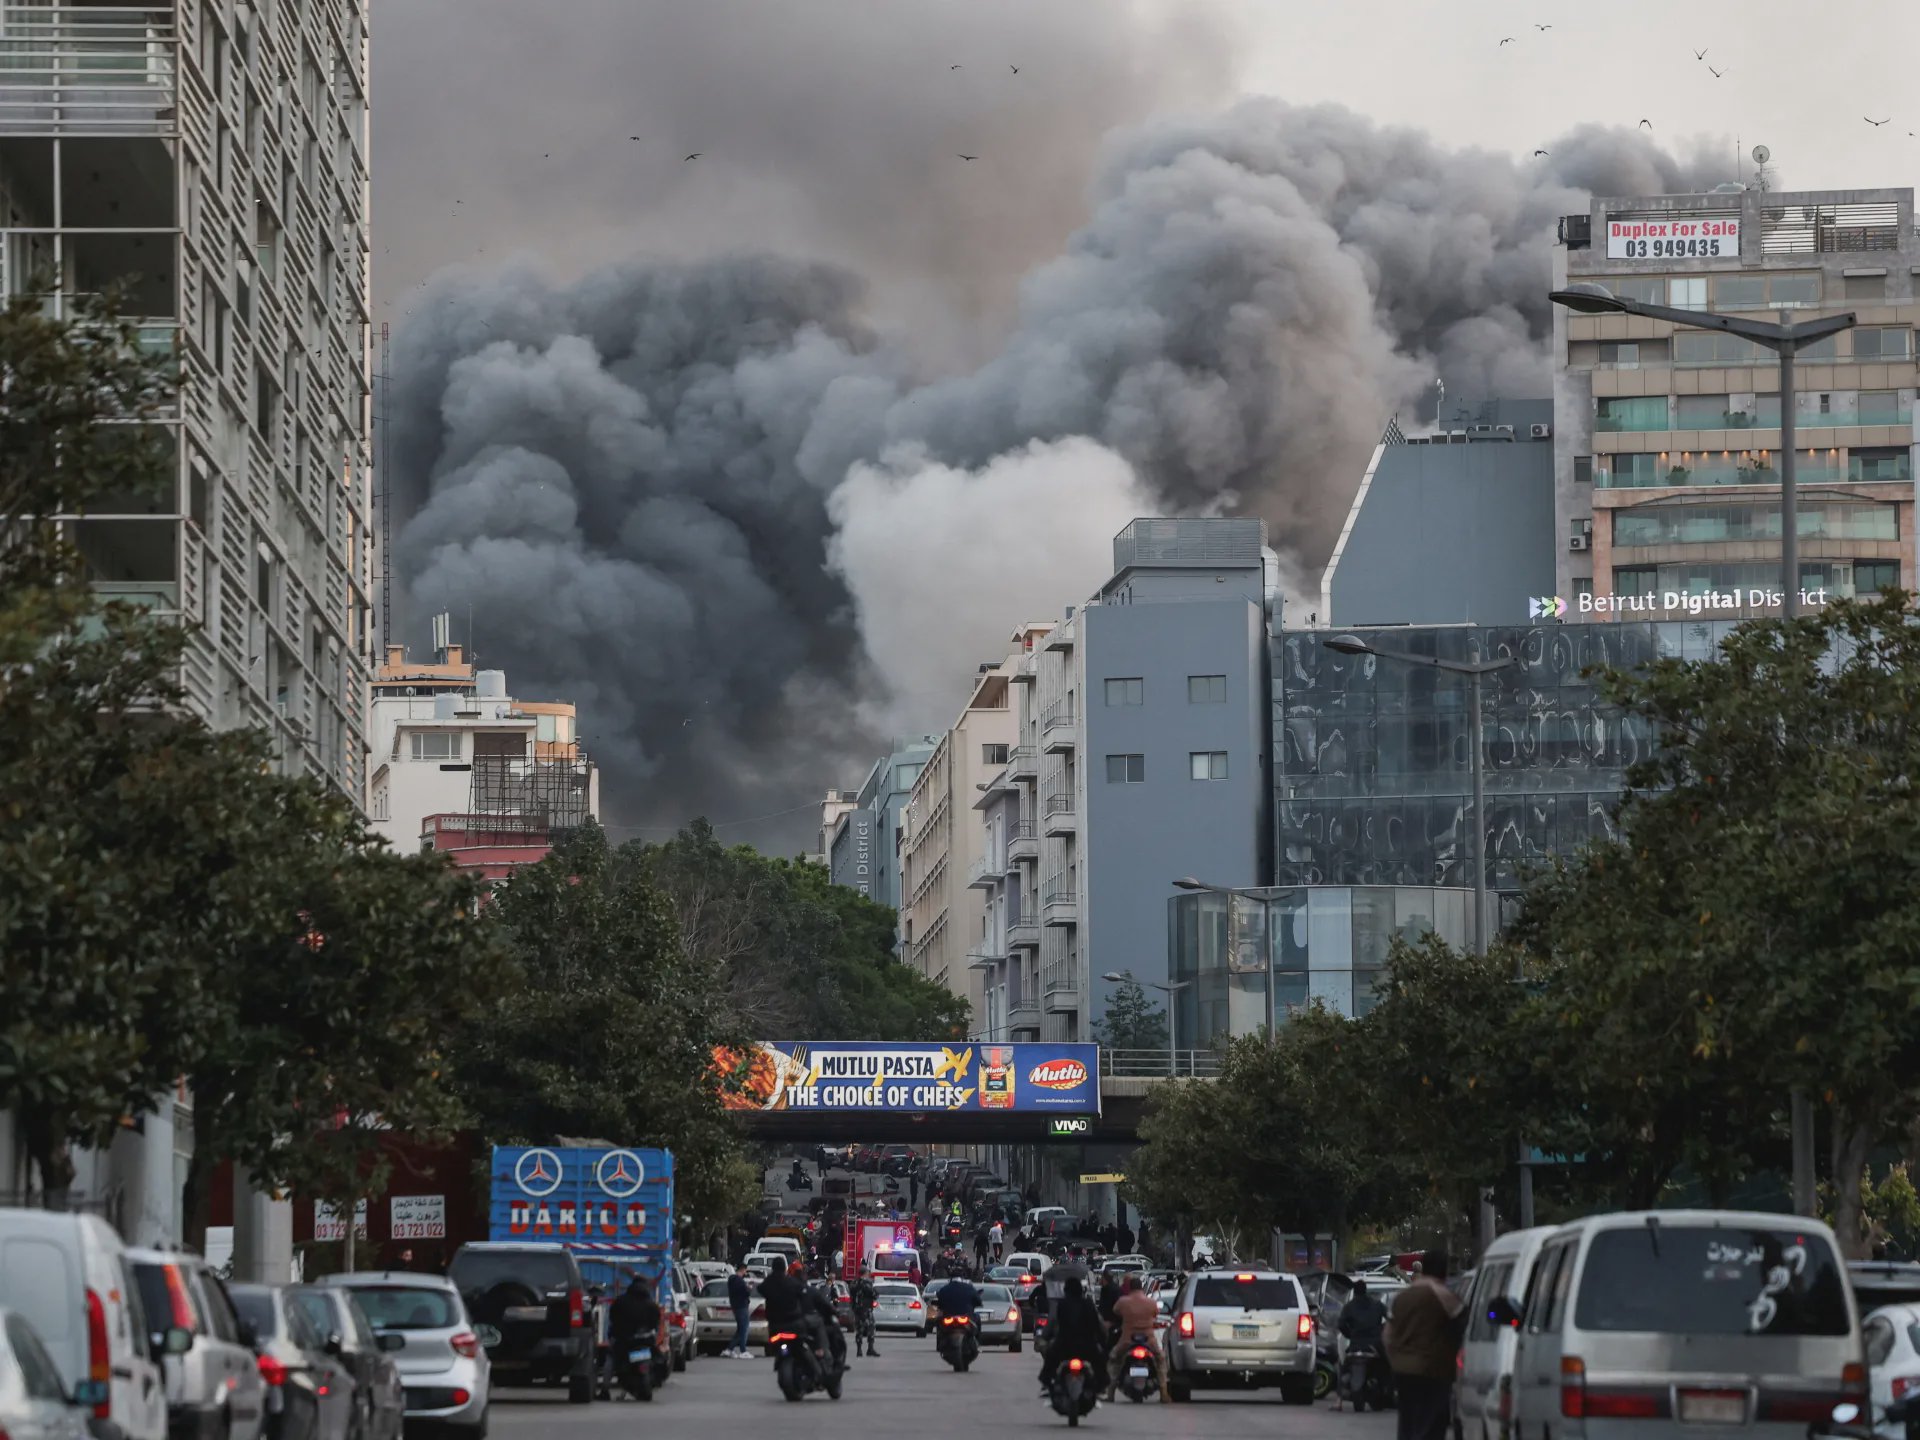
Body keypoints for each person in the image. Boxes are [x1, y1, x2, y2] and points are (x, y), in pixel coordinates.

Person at [1386, 1249, 1467, 1440]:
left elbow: (1387, 1335)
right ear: (1445, 1271)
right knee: (1431, 1425)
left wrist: (1395, 1361)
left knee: (1408, 1423)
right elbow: (1463, 1326)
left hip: (1403, 1370)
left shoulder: (1402, 1297)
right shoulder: (1443, 1295)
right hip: (1432, 1371)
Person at [1038, 1275, 1109, 1396]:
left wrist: (1046, 1338)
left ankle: (1047, 1382)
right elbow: (1097, 1326)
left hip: (1065, 1345)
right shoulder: (1088, 1304)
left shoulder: (1061, 1304)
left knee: (1050, 1359)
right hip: (1087, 1346)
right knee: (1100, 1362)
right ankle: (1101, 1386)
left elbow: (1056, 1325)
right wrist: (1102, 1343)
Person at [1104, 1275, 1168, 1401]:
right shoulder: (1151, 1302)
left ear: (1130, 1288)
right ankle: (1164, 1393)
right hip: (1149, 1340)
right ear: (1142, 1287)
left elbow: (1116, 1311)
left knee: (1114, 1359)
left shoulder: (1123, 1301)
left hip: (1127, 1339)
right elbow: (1156, 1313)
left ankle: (1110, 1393)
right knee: (1160, 1359)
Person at [1335, 1278, 1389, 1410]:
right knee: (1388, 1364)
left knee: (1343, 1367)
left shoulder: (1349, 1307)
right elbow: (1391, 1318)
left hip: (1355, 1345)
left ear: (1354, 1291)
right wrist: (1383, 1329)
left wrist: (1350, 1334)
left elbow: (1341, 1324)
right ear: (1366, 1291)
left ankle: (1339, 1400)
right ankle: (1390, 1391)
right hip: (1374, 1345)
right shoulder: (1377, 1304)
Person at [608, 1272, 662, 1385]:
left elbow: (613, 1317)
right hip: (645, 1341)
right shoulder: (651, 1305)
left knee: (611, 1359)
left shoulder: (621, 1301)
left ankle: (605, 1389)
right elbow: (656, 1322)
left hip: (626, 1341)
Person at [850, 1266, 880, 1358]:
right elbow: (874, 1294)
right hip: (866, 1309)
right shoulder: (866, 1283)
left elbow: (851, 1293)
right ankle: (870, 1348)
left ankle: (859, 1350)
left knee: (859, 1329)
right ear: (865, 1273)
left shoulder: (854, 1283)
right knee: (871, 1328)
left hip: (857, 1309)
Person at [727, 1262, 754, 1358]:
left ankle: (729, 1349)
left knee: (740, 1330)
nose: (745, 1272)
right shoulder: (739, 1281)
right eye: (745, 1270)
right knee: (744, 1329)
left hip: (735, 1306)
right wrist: (749, 1288)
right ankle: (743, 1351)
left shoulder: (732, 1280)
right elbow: (745, 1292)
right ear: (742, 1269)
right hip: (742, 1307)